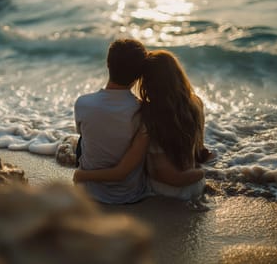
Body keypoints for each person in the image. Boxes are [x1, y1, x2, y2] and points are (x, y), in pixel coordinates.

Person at [74, 50, 211, 206]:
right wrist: (202, 172)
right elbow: (198, 148)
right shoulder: (196, 103)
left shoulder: (151, 114)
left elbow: (165, 175)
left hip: (167, 191)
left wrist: (202, 172)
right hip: (195, 186)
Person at [74, 38, 148, 204]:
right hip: (131, 194)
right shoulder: (142, 110)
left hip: (88, 191)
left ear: (108, 64)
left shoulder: (83, 103)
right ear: (139, 74)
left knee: (84, 136)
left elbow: (84, 136)